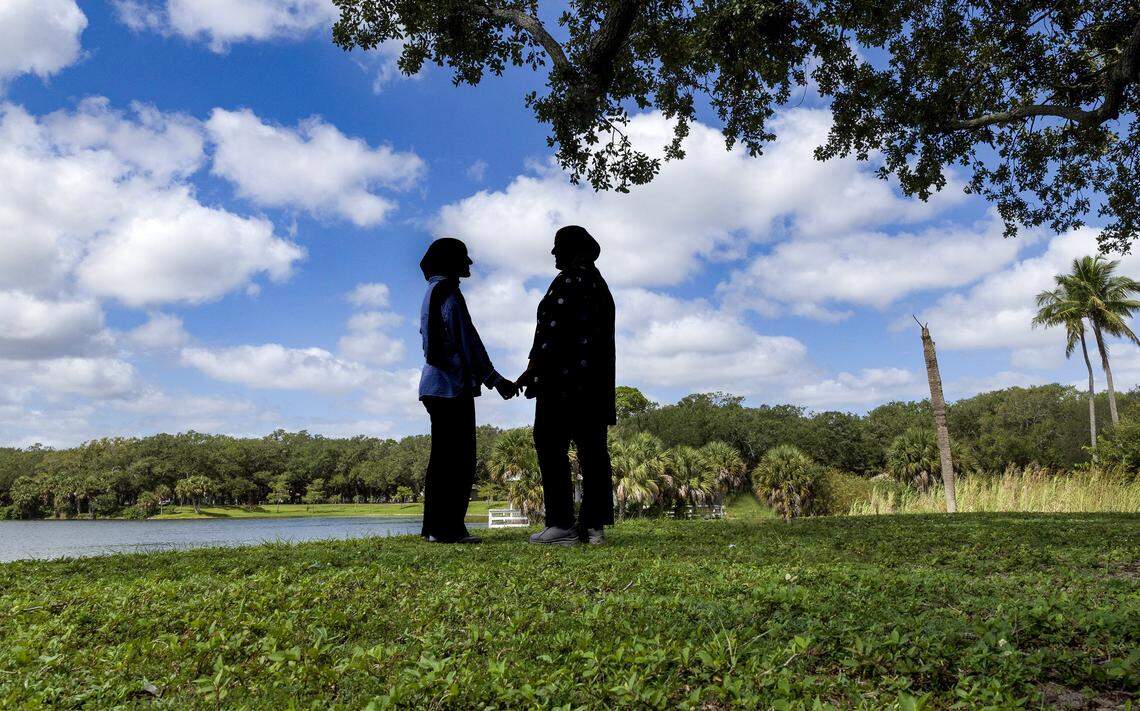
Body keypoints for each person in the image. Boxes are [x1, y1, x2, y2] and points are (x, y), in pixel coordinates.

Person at [518, 225, 616, 545]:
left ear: (574, 249)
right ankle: (593, 526)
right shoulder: (600, 286)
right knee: (593, 453)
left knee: (550, 446)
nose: (553, 252)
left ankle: (560, 524)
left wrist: (531, 373)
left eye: (558, 245)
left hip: (560, 385)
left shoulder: (566, 282)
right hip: (594, 387)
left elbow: (550, 335)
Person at [418, 237, 517, 543]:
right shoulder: (449, 292)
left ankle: (434, 528)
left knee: (442, 458)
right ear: (450, 262)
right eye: (464, 257)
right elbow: (467, 342)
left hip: (435, 386)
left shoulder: (433, 291)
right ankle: (448, 528)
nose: (469, 263)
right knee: (459, 458)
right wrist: (495, 379)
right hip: (451, 387)